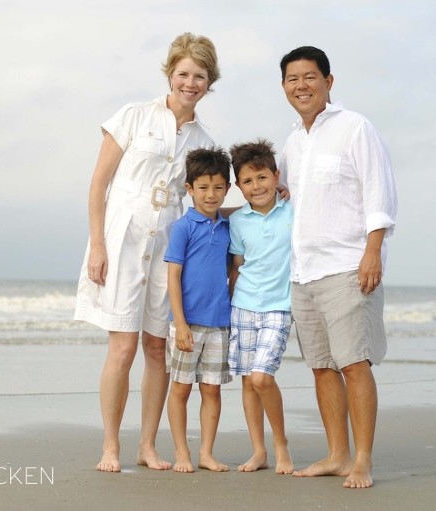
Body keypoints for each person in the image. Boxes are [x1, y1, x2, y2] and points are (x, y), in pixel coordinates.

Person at [73, 33, 220, 473]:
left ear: (210, 83)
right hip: (122, 239)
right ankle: (111, 446)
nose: (190, 83)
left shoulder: (204, 140)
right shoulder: (134, 116)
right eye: (183, 74)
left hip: (168, 250)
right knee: (122, 346)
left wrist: (264, 200)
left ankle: (148, 447)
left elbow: (206, 199)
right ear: (170, 73)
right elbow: (99, 184)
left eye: (200, 76)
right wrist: (97, 244)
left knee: (158, 348)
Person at [277, 46, 398, 488]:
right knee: (322, 367)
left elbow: (379, 195)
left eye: (310, 77)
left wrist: (373, 252)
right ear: (284, 87)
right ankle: (337, 455)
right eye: (293, 79)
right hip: (302, 271)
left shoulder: (355, 128)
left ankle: (362, 460)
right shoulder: (293, 141)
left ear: (329, 81)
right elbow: (282, 198)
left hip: (348, 266)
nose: (301, 86)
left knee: (353, 363)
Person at [227, 139, 294, 474]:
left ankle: (281, 444)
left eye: (262, 178)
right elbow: (237, 265)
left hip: (279, 306)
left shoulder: (293, 210)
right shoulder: (238, 221)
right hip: (243, 306)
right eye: (248, 181)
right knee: (247, 381)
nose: (257, 186)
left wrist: (289, 192)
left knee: (261, 377)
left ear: (276, 176)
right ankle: (258, 451)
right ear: (238, 187)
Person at [165, 147, 232, 474]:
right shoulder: (183, 227)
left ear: (227, 189)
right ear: (189, 188)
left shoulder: (227, 227)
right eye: (203, 187)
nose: (211, 194)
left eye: (218, 187)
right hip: (186, 323)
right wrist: (179, 324)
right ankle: (182, 452)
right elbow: (173, 277)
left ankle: (206, 453)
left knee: (211, 389)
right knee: (180, 388)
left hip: (219, 323)